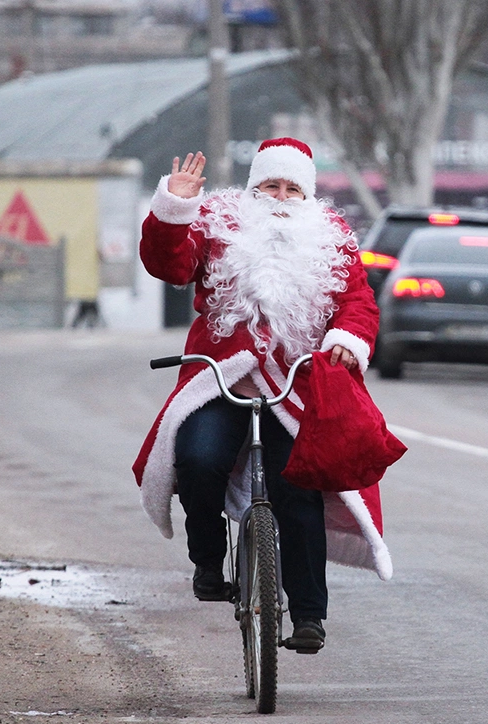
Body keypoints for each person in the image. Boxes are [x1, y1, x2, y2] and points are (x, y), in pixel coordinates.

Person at [131, 138, 392, 654]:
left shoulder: (332, 237)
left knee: (298, 490)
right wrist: (173, 209)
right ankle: (208, 564)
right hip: (222, 379)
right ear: (253, 189)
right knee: (199, 458)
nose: (280, 196)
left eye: (292, 188)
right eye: (270, 185)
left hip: (295, 386)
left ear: (307, 194)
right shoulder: (217, 222)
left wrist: (345, 342)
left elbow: (357, 301)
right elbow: (170, 266)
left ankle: (310, 616)